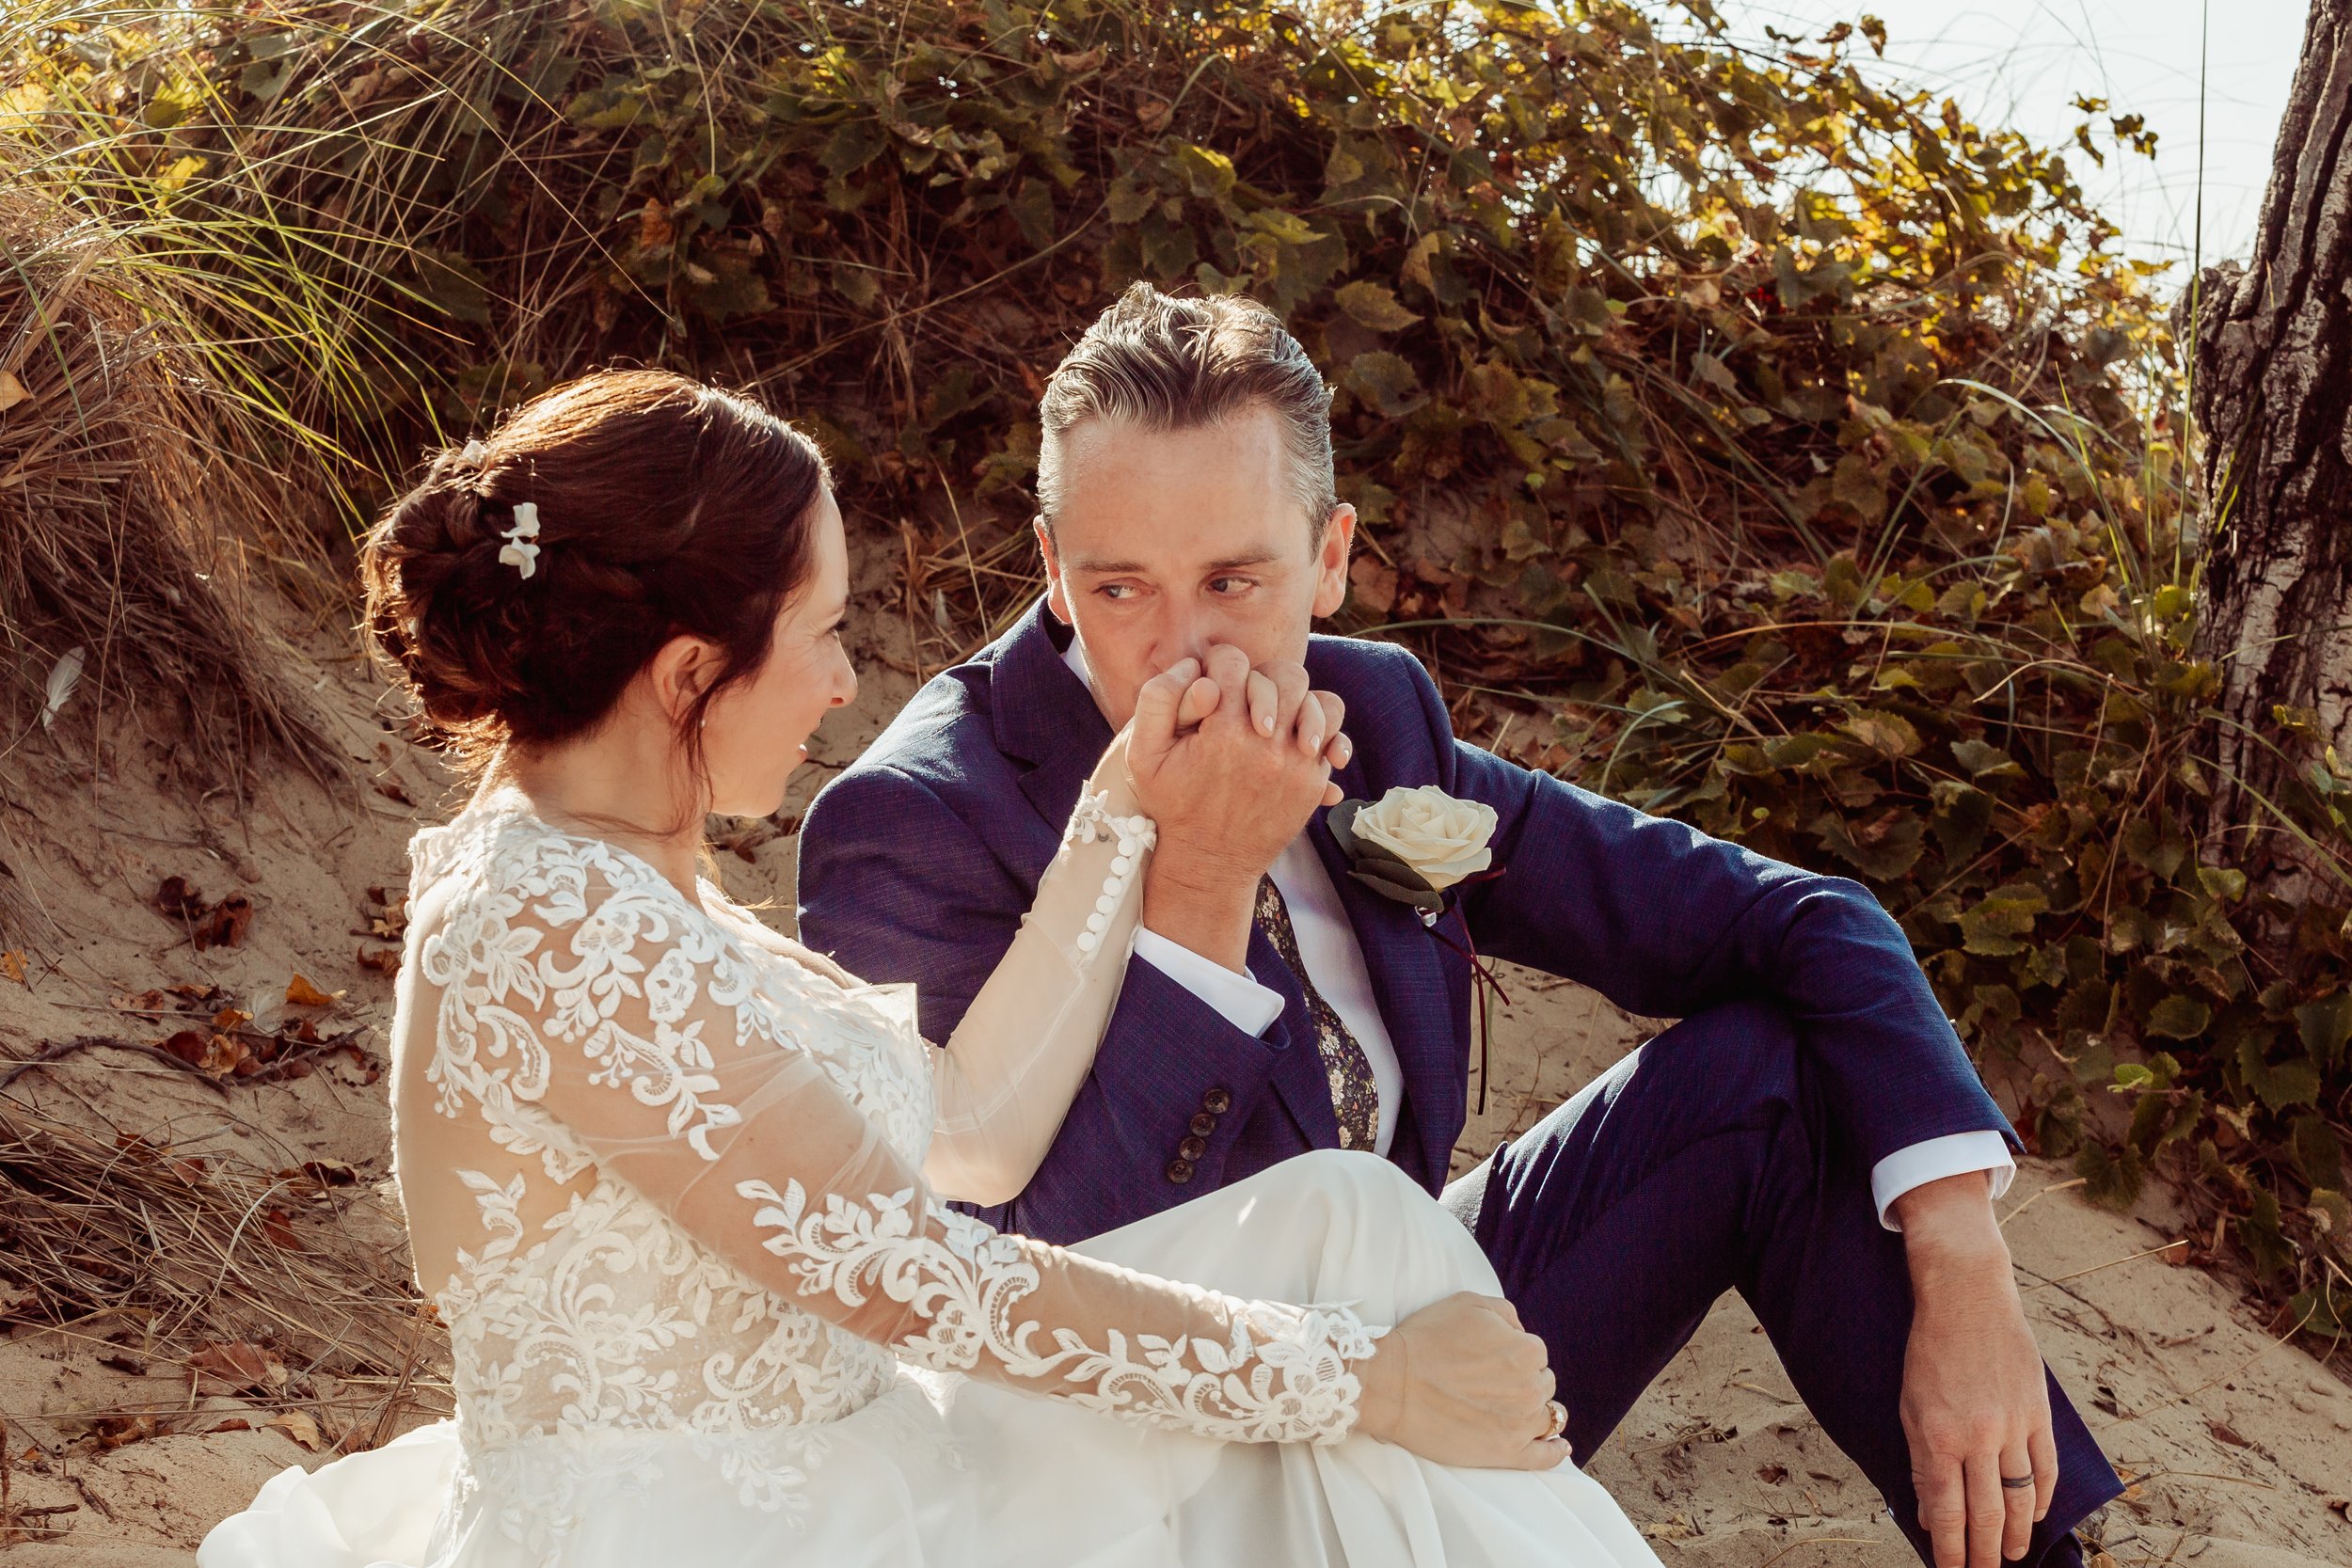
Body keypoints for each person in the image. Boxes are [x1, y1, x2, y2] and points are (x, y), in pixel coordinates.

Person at [198, 368, 1668, 1568]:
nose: (848, 683)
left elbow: (965, 1126)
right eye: (826, 634)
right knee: (1369, 1347)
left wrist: (1121, 810)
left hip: (872, 1469)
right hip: (724, 1538)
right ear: (690, 670)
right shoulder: (560, 924)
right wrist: (1360, 1376)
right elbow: (919, 1277)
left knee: (1355, 1224)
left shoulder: (636, 885)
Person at [796, 284, 2127, 1568]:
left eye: (1236, 583)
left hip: (1431, 1358)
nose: (1186, 651)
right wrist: (1195, 889)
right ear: (1052, 569)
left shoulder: (1377, 721)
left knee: (1765, 1078)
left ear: (1329, 561)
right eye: (1123, 587)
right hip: (1144, 1469)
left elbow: (1799, 920)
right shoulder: (919, 819)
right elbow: (1011, 1292)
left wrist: (1961, 1257)